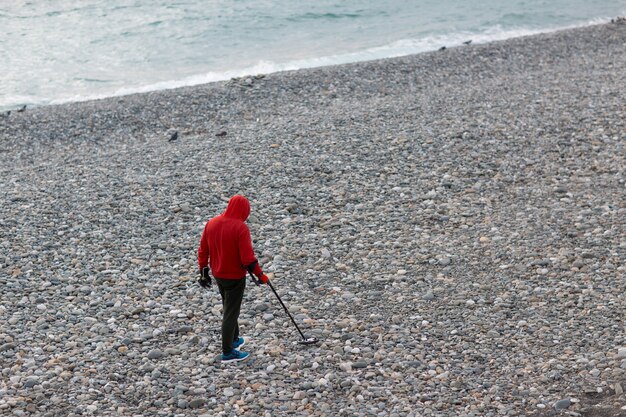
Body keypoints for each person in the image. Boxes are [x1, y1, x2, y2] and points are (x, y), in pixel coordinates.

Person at [197, 195, 268, 363]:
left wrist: (203, 273)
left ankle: (235, 339)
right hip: (235, 278)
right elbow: (248, 259)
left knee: (228, 306)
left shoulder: (212, 223)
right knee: (230, 313)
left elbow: (202, 251)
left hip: (218, 274)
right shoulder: (240, 228)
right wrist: (260, 275)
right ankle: (228, 352)